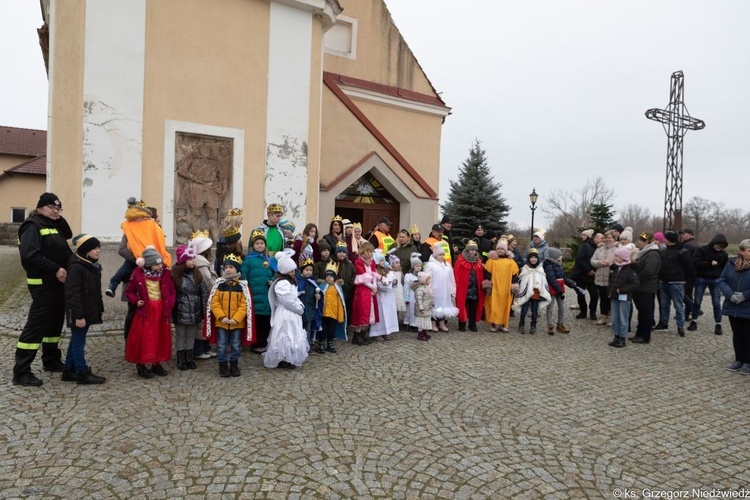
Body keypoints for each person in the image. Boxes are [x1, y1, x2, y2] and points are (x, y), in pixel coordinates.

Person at [13, 192, 73, 387]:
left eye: (58, 208)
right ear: (39, 208)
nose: (55, 210)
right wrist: (55, 268)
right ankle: (21, 371)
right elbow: (30, 255)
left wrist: (56, 215)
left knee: (55, 322)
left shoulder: (51, 224)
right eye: (51, 207)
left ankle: (51, 359)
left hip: (57, 283)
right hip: (43, 283)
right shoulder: (32, 226)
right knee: (36, 325)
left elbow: (68, 233)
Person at [125, 246, 176, 379]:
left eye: (160, 263)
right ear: (148, 264)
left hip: (161, 310)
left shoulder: (165, 274)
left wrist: (169, 304)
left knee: (159, 336)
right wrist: (136, 301)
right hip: (146, 312)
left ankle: (156, 362)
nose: (160, 266)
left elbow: (171, 291)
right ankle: (141, 364)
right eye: (156, 264)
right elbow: (129, 291)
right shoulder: (137, 274)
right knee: (145, 337)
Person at [61, 233, 106, 384]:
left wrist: (98, 308)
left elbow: (94, 292)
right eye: (94, 248)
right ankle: (82, 372)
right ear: (86, 250)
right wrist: (79, 316)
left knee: (76, 340)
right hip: (79, 313)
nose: (98, 250)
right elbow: (72, 294)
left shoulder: (91, 266)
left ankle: (69, 370)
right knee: (79, 342)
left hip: (86, 311)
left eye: (99, 247)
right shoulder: (77, 268)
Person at [106, 197, 171, 297]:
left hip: (151, 274)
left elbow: (161, 248)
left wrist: (151, 260)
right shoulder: (130, 229)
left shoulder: (154, 229)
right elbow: (122, 250)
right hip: (135, 272)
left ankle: (114, 283)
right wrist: (139, 259)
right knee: (127, 267)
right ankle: (113, 283)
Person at [206, 254, 252, 377]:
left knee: (236, 344)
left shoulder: (242, 286)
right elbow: (214, 303)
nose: (228, 269)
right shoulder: (219, 285)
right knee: (221, 345)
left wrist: (236, 319)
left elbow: (244, 305)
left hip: (237, 323)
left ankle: (234, 364)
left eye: (231, 267)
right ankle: (222, 365)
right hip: (222, 322)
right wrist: (222, 317)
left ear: (237, 269)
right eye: (226, 267)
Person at [264, 249, 309, 369]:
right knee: (285, 333)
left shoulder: (290, 282)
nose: (294, 272)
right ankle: (283, 357)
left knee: (292, 333)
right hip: (286, 313)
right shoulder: (282, 283)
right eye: (291, 270)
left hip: (292, 314)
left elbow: (293, 296)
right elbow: (287, 300)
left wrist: (299, 305)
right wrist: (299, 308)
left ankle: (289, 356)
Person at [171, 244, 208, 371]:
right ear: (182, 261)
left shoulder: (197, 274)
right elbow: (171, 294)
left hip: (195, 309)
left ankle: (189, 357)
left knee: (191, 334)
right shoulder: (175, 275)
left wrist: (203, 310)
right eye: (190, 259)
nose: (193, 261)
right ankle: (181, 358)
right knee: (181, 334)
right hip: (180, 309)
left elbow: (203, 292)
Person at [240, 229, 276, 353]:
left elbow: (276, 274)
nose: (260, 245)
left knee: (266, 320)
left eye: (262, 243)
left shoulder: (270, 259)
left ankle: (265, 342)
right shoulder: (249, 260)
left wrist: (272, 280)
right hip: (254, 295)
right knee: (256, 322)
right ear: (253, 246)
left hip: (267, 296)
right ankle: (255, 344)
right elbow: (244, 276)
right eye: (257, 243)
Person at [654, 231, 695, 337]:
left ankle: (680, 326)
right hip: (664, 282)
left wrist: (685, 279)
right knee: (664, 305)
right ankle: (664, 323)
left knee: (678, 305)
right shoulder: (664, 251)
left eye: (666, 238)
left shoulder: (682, 252)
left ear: (670, 239)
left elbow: (689, 267)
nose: (664, 240)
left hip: (677, 282)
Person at [718, 239, 750, 374]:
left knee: (748, 335)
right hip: (733, 305)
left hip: (747, 305)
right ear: (741, 251)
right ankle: (739, 359)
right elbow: (722, 280)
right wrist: (730, 295)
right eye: (749, 250)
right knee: (737, 334)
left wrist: (744, 295)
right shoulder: (731, 264)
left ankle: (748, 362)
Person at [690, 234, 729, 334]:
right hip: (701, 278)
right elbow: (695, 262)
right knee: (697, 301)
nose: (719, 248)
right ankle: (694, 321)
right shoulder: (702, 250)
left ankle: (718, 324)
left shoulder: (723, 255)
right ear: (714, 242)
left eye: (722, 247)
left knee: (716, 303)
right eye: (719, 245)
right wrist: (709, 263)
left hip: (716, 279)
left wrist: (722, 278)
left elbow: (725, 268)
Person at [189, 230, 218, 359]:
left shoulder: (202, 261)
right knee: (202, 323)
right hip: (205, 296)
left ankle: (206, 347)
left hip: (205, 296)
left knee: (206, 322)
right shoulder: (201, 263)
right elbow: (208, 279)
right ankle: (199, 349)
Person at [629, 232, 662, 344]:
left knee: (646, 312)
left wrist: (635, 279)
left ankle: (645, 335)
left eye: (642, 240)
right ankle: (639, 333)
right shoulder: (644, 252)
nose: (639, 242)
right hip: (640, 287)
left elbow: (649, 271)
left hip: (646, 287)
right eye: (639, 240)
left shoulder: (653, 253)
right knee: (641, 312)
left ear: (648, 242)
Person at [484, 240, 520, 333]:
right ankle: (493, 323)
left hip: (506, 288)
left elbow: (514, 275)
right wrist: (487, 285)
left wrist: (514, 286)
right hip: (495, 287)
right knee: (493, 305)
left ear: (506, 250)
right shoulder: (491, 261)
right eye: (498, 248)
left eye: (502, 249)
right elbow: (487, 274)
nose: (500, 250)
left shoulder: (511, 262)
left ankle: (503, 324)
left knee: (505, 306)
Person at [607, 247, 640, 348]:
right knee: (615, 318)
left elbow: (635, 284)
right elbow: (612, 281)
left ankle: (622, 338)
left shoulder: (630, 270)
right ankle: (616, 336)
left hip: (624, 298)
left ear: (623, 257)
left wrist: (621, 290)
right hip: (614, 297)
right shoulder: (616, 268)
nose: (615, 257)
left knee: (623, 318)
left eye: (617, 256)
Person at [514, 248, 550, 334]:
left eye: (535, 258)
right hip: (526, 293)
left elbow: (543, 281)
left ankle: (533, 325)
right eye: (531, 258)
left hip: (536, 293)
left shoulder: (540, 269)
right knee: (524, 310)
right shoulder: (525, 268)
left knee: (534, 312)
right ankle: (521, 324)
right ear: (529, 259)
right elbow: (522, 279)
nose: (533, 259)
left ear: (537, 259)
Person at [351, 242, 380, 346]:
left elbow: (373, 274)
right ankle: (357, 335)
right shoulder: (358, 261)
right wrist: (372, 287)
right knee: (362, 312)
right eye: (369, 251)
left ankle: (363, 333)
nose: (371, 254)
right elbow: (362, 277)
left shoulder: (371, 262)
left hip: (370, 290)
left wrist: (375, 286)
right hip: (363, 289)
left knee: (369, 312)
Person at [453, 239, 485, 332]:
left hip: (474, 289)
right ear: (467, 250)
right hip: (464, 288)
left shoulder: (478, 261)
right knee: (462, 305)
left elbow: (480, 274)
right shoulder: (460, 260)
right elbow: (457, 274)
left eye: (475, 250)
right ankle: (462, 324)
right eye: (471, 250)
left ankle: (472, 324)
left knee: (473, 307)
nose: (473, 252)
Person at [426, 242, 459, 331]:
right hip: (435, 289)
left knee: (444, 306)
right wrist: (429, 290)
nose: (441, 256)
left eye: (442, 255)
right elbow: (428, 278)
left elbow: (452, 278)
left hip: (445, 290)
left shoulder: (447, 265)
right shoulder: (430, 265)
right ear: (435, 256)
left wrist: (452, 290)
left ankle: (442, 323)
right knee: (435, 307)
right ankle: (433, 324)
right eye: (439, 255)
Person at [543, 247, 574, 335]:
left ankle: (560, 324)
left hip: (559, 289)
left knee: (562, 308)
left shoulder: (559, 265)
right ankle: (550, 325)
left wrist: (573, 286)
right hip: (552, 289)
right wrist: (559, 290)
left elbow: (564, 278)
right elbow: (551, 279)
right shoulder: (548, 265)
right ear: (555, 256)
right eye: (560, 255)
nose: (561, 257)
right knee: (550, 308)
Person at [370, 250, 399, 341]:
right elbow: (380, 285)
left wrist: (394, 281)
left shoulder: (387, 270)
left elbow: (393, 279)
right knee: (380, 315)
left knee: (388, 314)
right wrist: (387, 283)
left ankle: (387, 331)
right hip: (380, 296)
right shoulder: (375, 271)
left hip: (389, 296)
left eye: (383, 260)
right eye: (381, 260)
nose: (383, 262)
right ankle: (377, 332)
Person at [590, 230, 617, 326]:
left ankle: (613, 317)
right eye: (606, 237)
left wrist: (610, 262)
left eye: (610, 237)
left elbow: (619, 260)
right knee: (603, 297)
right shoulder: (599, 249)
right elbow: (592, 260)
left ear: (614, 239)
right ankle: (603, 316)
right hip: (600, 276)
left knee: (612, 298)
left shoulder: (617, 249)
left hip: (611, 277)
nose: (607, 239)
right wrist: (598, 263)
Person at [319, 262, 347, 352]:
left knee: (331, 329)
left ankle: (330, 343)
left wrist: (340, 313)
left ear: (334, 277)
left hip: (334, 313)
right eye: (327, 276)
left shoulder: (337, 287)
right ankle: (321, 343)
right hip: (324, 312)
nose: (328, 278)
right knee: (323, 328)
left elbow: (340, 301)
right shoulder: (322, 286)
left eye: (331, 276)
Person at [571, 229, 598, 320]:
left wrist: (591, 270)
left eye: (584, 235)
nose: (581, 236)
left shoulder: (591, 246)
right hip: (582, 275)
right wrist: (588, 270)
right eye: (581, 235)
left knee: (594, 295)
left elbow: (584, 259)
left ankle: (592, 312)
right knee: (581, 294)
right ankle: (583, 311)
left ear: (588, 236)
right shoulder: (584, 246)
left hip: (590, 275)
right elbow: (580, 259)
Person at [297, 258, 322, 351]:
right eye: (306, 270)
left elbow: (319, 294)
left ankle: (307, 345)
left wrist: (318, 297)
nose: (309, 272)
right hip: (300, 310)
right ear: (301, 270)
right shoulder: (298, 281)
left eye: (311, 270)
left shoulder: (313, 282)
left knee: (308, 328)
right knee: (300, 328)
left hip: (310, 309)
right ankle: (299, 346)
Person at [680, 227, 699, 322]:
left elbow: (684, 260)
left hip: (687, 273)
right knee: (688, 293)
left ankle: (692, 308)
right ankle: (687, 313)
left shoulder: (688, 245)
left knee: (682, 293)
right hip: (693, 273)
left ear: (690, 234)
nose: (682, 236)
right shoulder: (695, 244)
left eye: (683, 234)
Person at [403, 253, 423, 332]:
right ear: (413, 266)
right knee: (411, 309)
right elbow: (407, 285)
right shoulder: (408, 275)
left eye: (420, 266)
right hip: (412, 295)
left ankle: (418, 324)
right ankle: (411, 324)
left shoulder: (422, 274)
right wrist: (406, 298)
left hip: (420, 295)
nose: (418, 267)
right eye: (417, 266)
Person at [414, 272, 435, 341]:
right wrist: (421, 308)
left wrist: (432, 303)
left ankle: (423, 332)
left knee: (424, 321)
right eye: (428, 280)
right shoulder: (419, 289)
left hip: (427, 307)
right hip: (422, 309)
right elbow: (419, 300)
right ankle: (420, 333)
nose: (429, 281)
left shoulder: (426, 288)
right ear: (423, 280)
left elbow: (428, 297)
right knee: (421, 321)